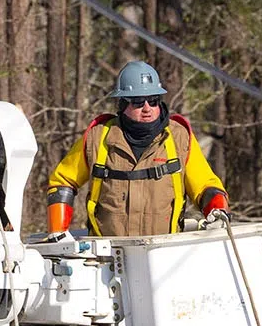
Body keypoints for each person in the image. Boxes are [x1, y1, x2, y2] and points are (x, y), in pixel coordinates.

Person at [47, 61, 229, 238]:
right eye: (138, 102)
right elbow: (62, 182)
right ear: (122, 103)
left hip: (162, 252)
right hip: (108, 257)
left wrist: (217, 208)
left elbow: (205, 184)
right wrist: (58, 231)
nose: (147, 108)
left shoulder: (179, 138)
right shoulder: (97, 138)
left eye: (153, 100)